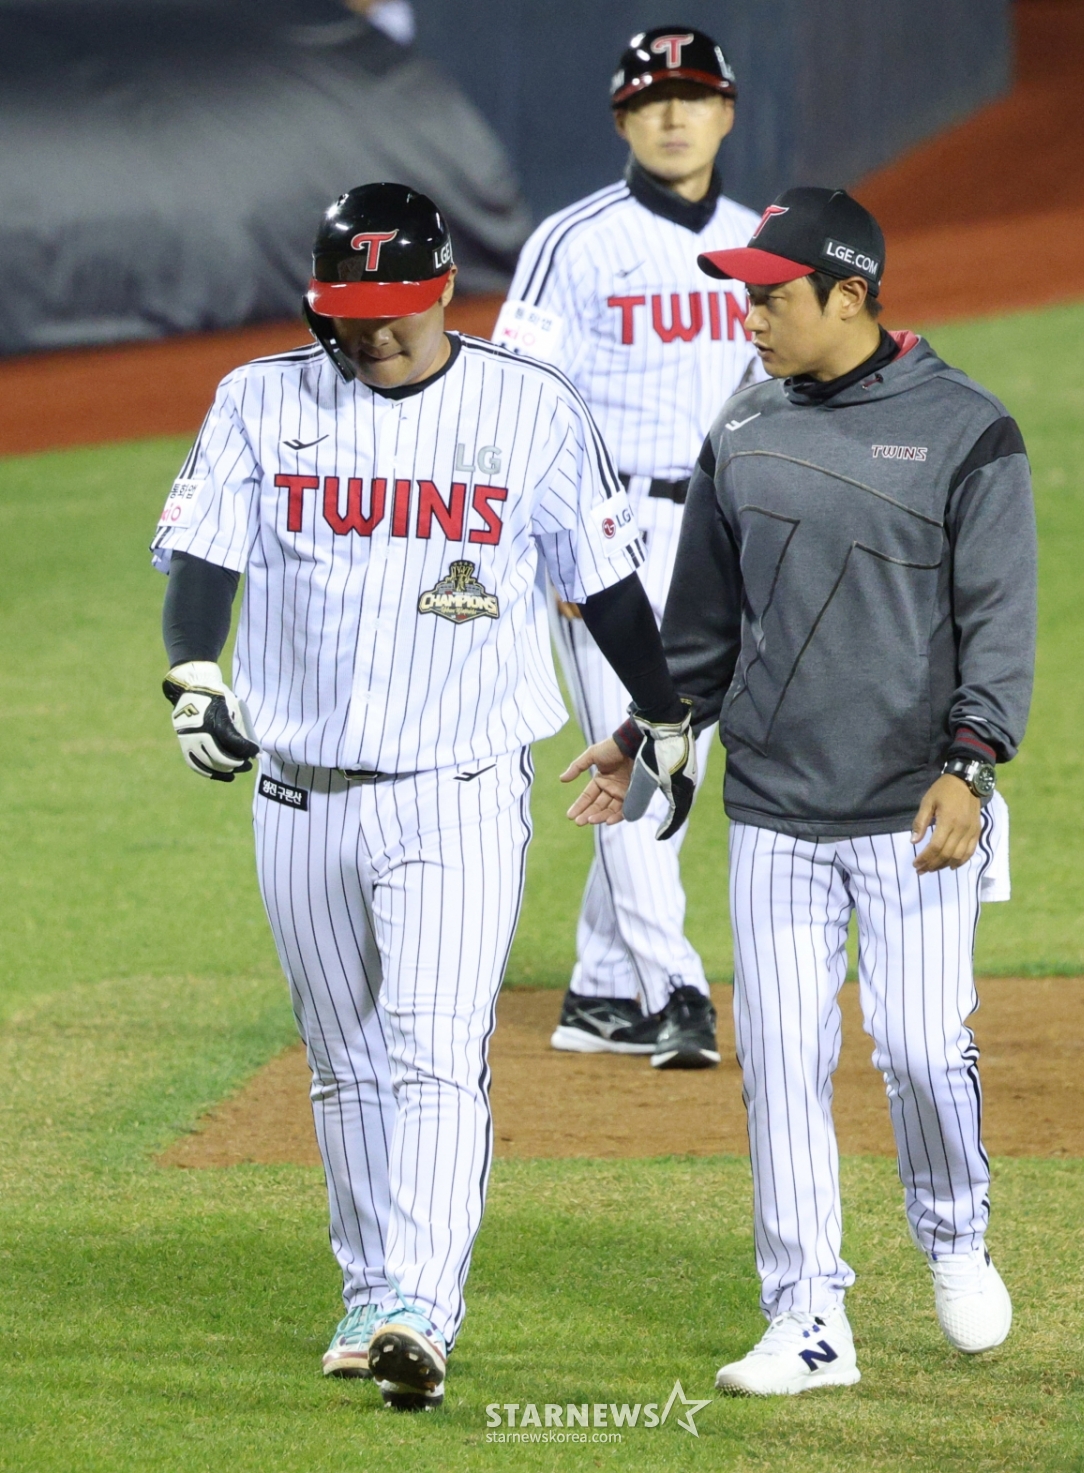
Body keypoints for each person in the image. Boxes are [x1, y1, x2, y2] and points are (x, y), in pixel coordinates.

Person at [150, 182, 694, 1411]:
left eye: (396, 306)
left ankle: (420, 1307)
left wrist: (659, 713)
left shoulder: (530, 407)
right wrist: (193, 672)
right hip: (297, 794)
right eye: (351, 310)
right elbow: (204, 554)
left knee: (436, 1050)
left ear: (445, 290)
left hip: (457, 792)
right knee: (343, 1060)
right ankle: (368, 1294)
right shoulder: (260, 400)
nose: (374, 331)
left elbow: (606, 582)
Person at [566, 186, 1036, 1393]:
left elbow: (999, 621)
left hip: (915, 809)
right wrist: (643, 731)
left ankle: (955, 1235)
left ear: (850, 295)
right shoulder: (743, 426)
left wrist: (973, 764)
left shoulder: (967, 431)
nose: (751, 317)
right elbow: (702, 631)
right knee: (779, 1061)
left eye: (773, 297)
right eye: (746, 296)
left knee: (922, 1050)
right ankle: (807, 1318)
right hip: (775, 808)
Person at [493, 25, 763, 1070]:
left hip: (717, 531)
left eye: (692, 96)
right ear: (622, 119)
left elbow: (770, 393)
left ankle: (604, 991)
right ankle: (674, 986)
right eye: (652, 98)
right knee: (650, 741)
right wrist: (554, 545)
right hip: (606, 532)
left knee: (674, 750)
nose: (673, 114)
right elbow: (518, 400)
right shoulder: (574, 241)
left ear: (725, 112)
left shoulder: (756, 241)